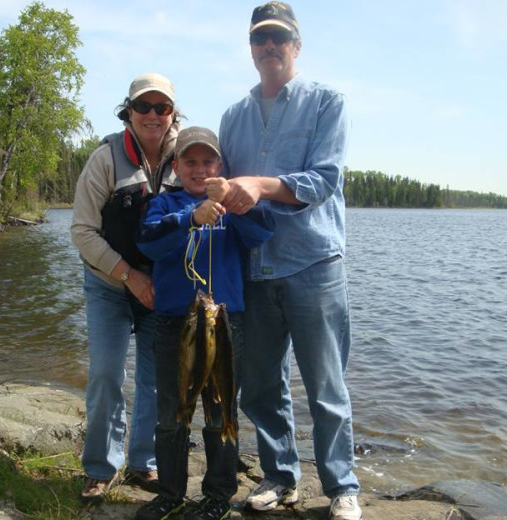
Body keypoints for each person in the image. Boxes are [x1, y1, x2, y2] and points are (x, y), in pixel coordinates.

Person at [211, 3, 362, 520]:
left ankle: (342, 486)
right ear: (251, 49)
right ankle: (280, 477)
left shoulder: (327, 102)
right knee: (259, 384)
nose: (269, 46)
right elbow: (225, 186)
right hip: (254, 270)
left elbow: (324, 181)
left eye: (279, 37)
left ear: (297, 45)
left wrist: (260, 185)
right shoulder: (232, 117)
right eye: (260, 39)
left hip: (314, 264)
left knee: (326, 386)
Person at [134, 127, 273, 520]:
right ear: (175, 166)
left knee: (219, 411)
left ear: (221, 166)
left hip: (226, 326)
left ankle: (218, 496)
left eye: (208, 161)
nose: (199, 169)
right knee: (172, 413)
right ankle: (171, 492)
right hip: (173, 325)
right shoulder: (164, 204)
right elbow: (148, 242)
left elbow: (262, 233)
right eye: (190, 162)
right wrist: (191, 217)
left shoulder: (234, 205)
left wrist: (233, 202)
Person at [71, 72, 180, 500]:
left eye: (162, 107)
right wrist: (128, 276)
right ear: (128, 111)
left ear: (173, 113)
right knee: (105, 374)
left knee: (155, 380)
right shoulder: (105, 158)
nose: (153, 116)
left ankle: (143, 463)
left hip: (161, 289)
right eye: (143, 107)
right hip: (108, 284)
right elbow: (82, 233)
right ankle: (100, 467)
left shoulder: (186, 153)